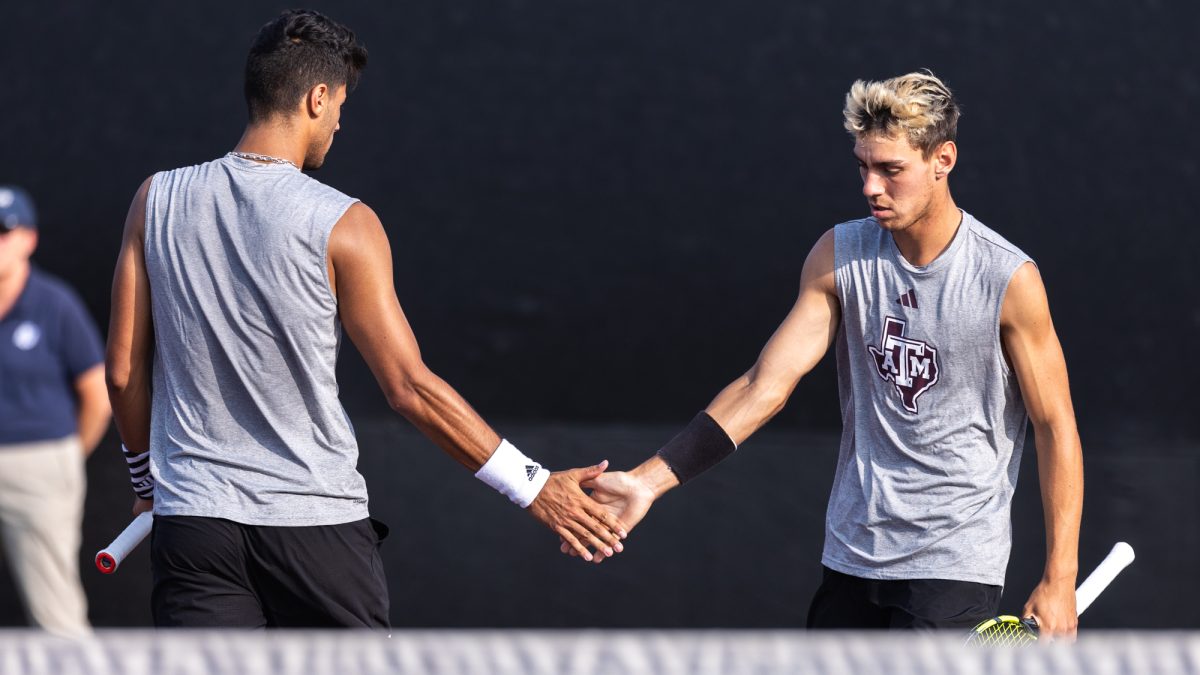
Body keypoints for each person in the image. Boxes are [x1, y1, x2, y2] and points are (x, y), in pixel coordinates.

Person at [105, 9, 626, 629]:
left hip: (193, 526)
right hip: (316, 533)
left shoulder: (154, 198)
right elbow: (409, 388)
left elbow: (122, 370)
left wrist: (146, 482)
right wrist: (534, 486)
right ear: (317, 98)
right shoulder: (346, 223)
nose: (341, 123)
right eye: (342, 105)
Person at [574, 72, 1084, 637]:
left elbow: (1054, 425)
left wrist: (1060, 577)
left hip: (953, 564)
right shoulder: (839, 254)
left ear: (944, 159)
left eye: (891, 170)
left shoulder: (1007, 277)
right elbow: (762, 386)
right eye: (864, 166)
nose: (871, 187)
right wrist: (647, 481)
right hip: (851, 555)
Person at [0, 185, 112, 636]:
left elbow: (98, 394)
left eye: (3, 232)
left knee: (55, 611)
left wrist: (67, 454)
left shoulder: (54, 304)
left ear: (28, 238)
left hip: (39, 465)